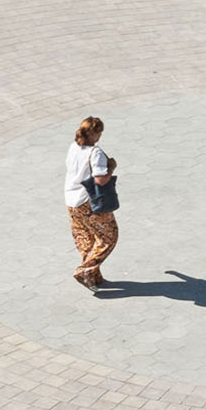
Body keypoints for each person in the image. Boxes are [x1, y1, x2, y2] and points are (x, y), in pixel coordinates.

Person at [64, 116, 118, 292]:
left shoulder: (73, 148)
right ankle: (84, 271)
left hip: (71, 201)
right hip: (88, 201)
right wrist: (111, 167)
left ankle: (94, 277)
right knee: (108, 236)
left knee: (86, 238)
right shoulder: (95, 153)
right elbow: (101, 179)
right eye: (99, 133)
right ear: (95, 134)